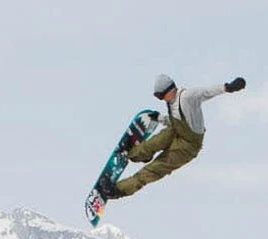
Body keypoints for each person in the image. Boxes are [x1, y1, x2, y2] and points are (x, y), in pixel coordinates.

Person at [103, 73, 247, 201]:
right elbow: (175, 121)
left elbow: (206, 92)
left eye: (160, 96)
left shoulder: (186, 97)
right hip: (177, 132)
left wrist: (228, 87)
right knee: (155, 142)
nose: (161, 100)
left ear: (170, 90)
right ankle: (134, 154)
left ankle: (119, 190)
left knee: (154, 169)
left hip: (188, 147)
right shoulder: (171, 102)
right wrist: (159, 118)